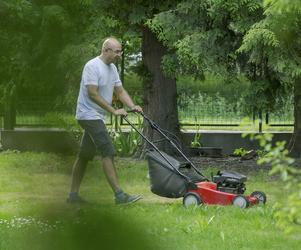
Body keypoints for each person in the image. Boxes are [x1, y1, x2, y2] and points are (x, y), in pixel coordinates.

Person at [67, 37, 143, 205]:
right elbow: (92, 93)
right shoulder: (92, 66)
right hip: (88, 115)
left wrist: (132, 106)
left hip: (96, 116)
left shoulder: (113, 68)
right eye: (117, 52)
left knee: (85, 155)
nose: (119, 55)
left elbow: (120, 90)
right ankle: (119, 195)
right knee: (107, 151)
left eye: (120, 51)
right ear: (106, 50)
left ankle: (72, 196)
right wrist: (114, 110)